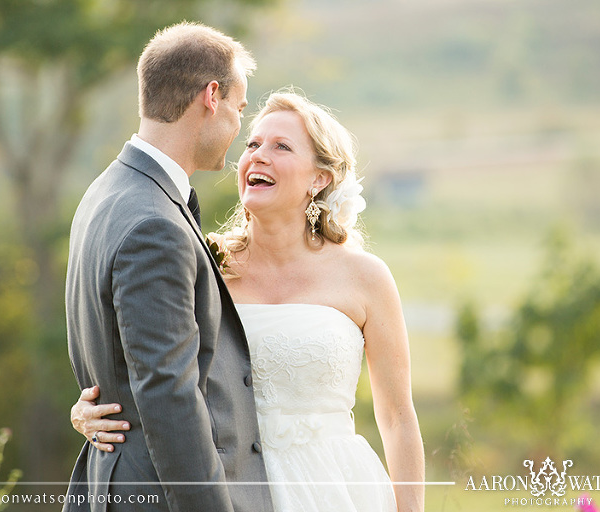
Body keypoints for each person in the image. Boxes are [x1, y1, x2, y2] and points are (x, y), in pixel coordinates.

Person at [71, 90, 426, 512]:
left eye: (281, 147)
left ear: (320, 178)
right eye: (253, 145)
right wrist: (88, 411)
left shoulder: (366, 277)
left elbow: (398, 418)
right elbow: (152, 368)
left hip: (336, 488)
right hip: (232, 486)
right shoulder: (205, 264)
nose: (258, 156)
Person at [63, 22, 274, 512]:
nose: (239, 129)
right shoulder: (154, 224)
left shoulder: (105, 193)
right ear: (212, 96)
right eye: (240, 110)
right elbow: (168, 395)